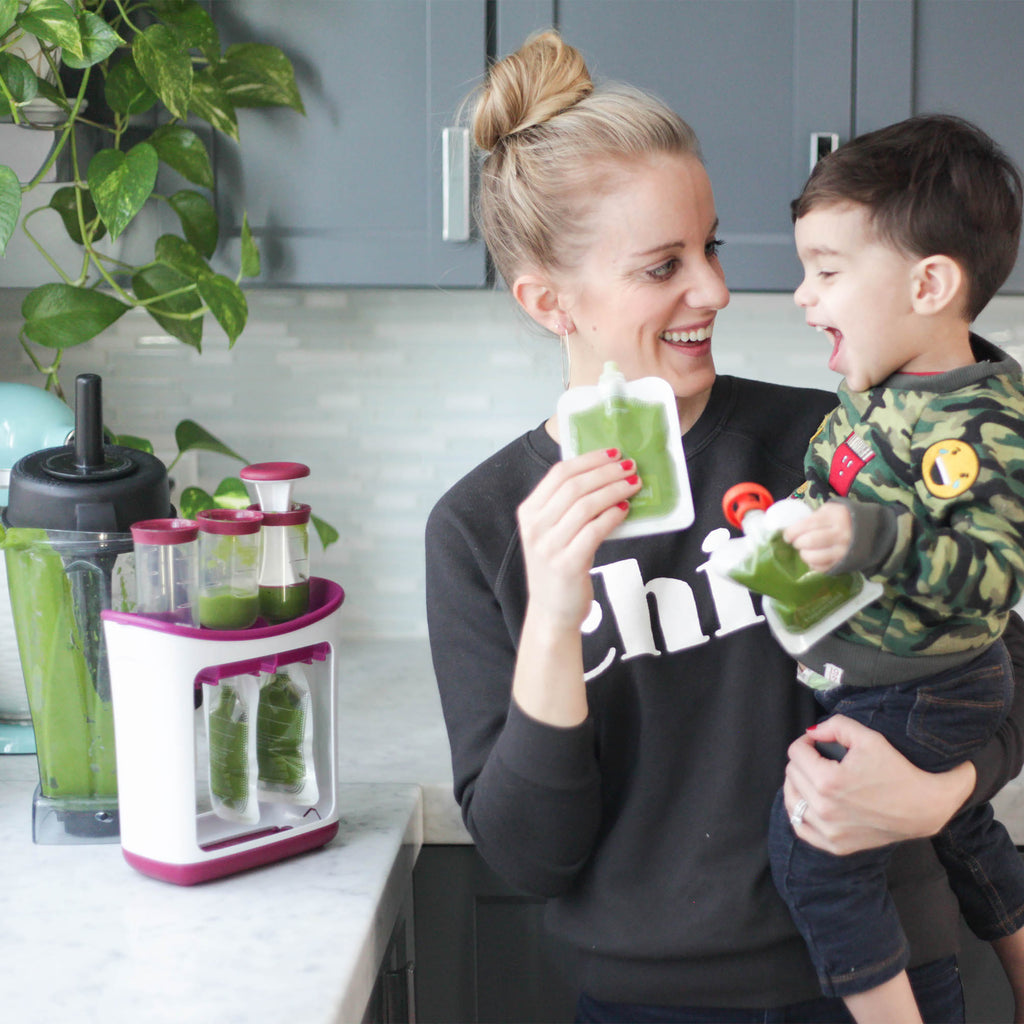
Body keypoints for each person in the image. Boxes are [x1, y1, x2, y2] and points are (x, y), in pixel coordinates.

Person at [424, 30, 1024, 1022]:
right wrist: (552, 617)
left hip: (891, 979)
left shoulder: (825, 438)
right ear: (548, 301)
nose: (712, 289)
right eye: (663, 265)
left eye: (709, 246)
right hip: (646, 1003)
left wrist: (942, 791)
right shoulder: (482, 528)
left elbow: (998, 647)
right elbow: (532, 854)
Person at [764, 114, 1024, 1024]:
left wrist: (871, 538)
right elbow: (829, 474)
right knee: (965, 831)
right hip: (903, 675)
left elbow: (993, 580)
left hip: (930, 683)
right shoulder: (879, 391)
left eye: (827, 272)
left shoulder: (979, 427)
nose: (803, 296)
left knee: (810, 853)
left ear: (929, 284)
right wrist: (788, 523)